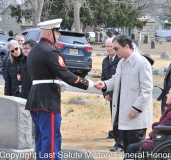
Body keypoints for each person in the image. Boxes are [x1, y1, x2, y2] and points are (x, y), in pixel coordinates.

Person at [25, 18, 94, 160]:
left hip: (35, 98)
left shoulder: (34, 50)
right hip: (47, 100)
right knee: (51, 138)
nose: (59, 35)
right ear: (50, 33)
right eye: (57, 32)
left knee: (40, 137)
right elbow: (66, 75)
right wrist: (89, 84)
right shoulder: (50, 52)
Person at [94, 34, 153, 157]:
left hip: (137, 116)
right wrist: (104, 84)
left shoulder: (142, 62)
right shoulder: (122, 63)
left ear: (126, 46)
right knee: (127, 151)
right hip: (125, 115)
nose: (114, 51)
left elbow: (147, 89)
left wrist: (137, 107)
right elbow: (116, 80)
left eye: (116, 48)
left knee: (136, 150)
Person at [126, 84, 171, 155]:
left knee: (131, 148)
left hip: (162, 140)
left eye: (169, 93)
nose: (167, 95)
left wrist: (153, 132)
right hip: (167, 138)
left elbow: (163, 129)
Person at [101, 38, 123, 152]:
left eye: (112, 46)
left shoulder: (120, 60)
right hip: (110, 97)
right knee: (114, 119)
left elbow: (119, 80)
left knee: (120, 119)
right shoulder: (105, 61)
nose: (110, 49)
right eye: (107, 46)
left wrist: (112, 93)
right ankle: (117, 141)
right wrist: (105, 94)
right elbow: (104, 78)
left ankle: (121, 143)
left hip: (119, 95)